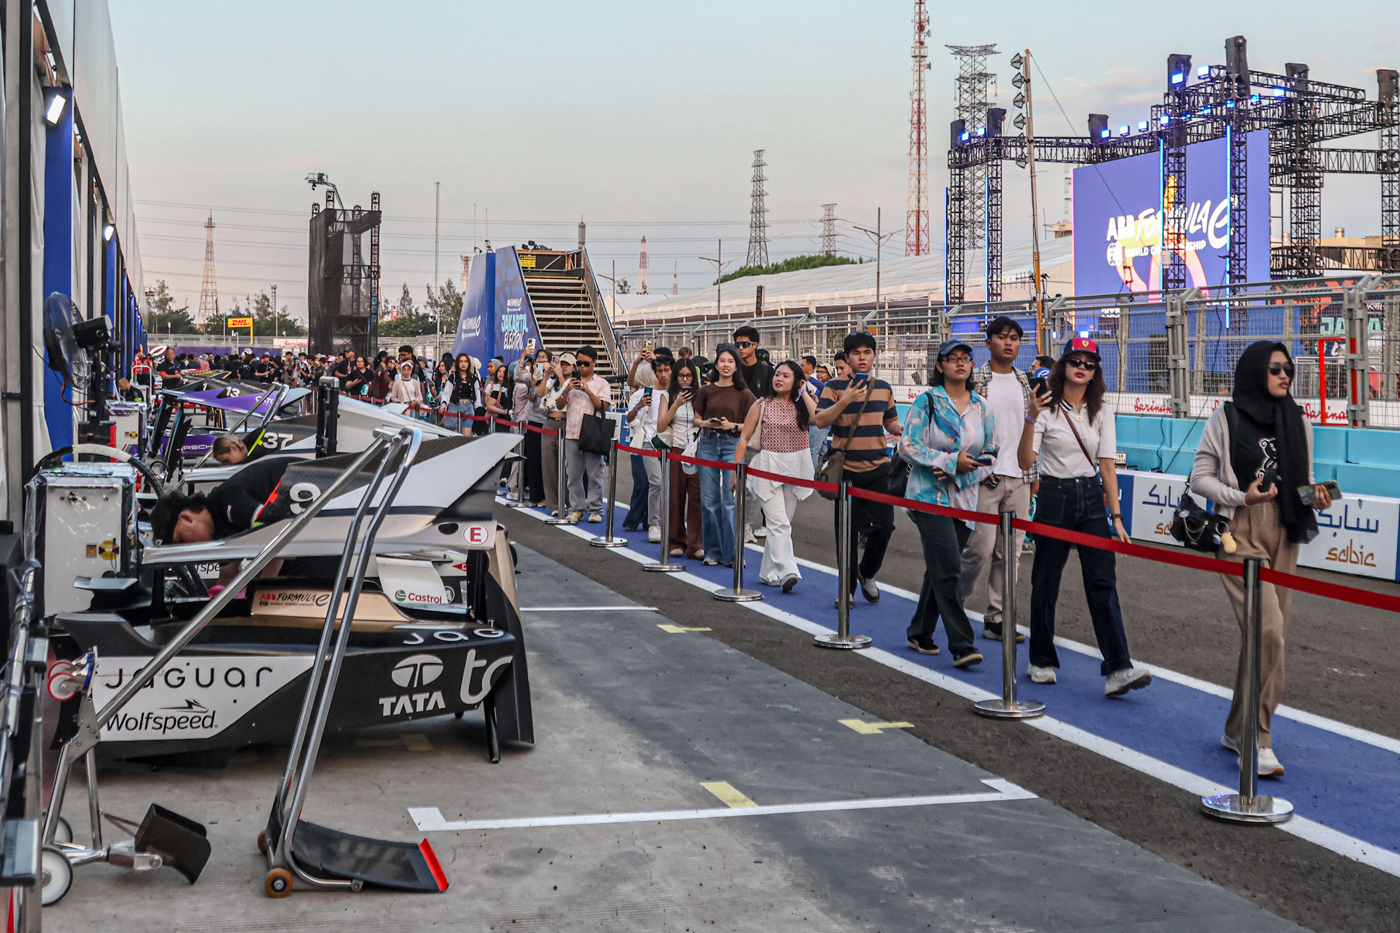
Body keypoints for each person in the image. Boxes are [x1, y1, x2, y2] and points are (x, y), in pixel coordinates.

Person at [1189, 341, 1330, 777]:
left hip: (1286, 532)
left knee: (1267, 637)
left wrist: (1318, 496)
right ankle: (1260, 736)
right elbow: (1200, 478)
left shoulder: (1298, 419)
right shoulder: (1226, 418)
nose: (1285, 375)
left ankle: (1236, 728)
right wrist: (1239, 496)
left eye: (1288, 368)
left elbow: (1300, 483)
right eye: (1275, 369)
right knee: (1268, 631)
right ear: (1255, 372)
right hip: (1240, 532)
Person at [1017, 337, 1151, 698]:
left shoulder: (1101, 409)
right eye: (1075, 360)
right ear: (1063, 366)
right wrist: (1030, 416)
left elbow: (1106, 463)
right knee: (1047, 580)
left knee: (1103, 580)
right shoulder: (1045, 405)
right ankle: (1040, 659)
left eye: (1089, 363)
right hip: (1056, 496)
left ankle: (1118, 667)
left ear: (1096, 372)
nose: (1082, 367)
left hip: (1091, 496)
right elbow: (1025, 461)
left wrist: (1117, 516)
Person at [900, 339, 991, 668]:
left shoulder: (981, 407)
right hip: (929, 496)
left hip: (965, 498)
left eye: (965, 358)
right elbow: (907, 445)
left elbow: (991, 452)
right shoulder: (927, 402)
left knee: (939, 569)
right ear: (940, 366)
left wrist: (969, 471)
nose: (960, 364)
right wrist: (951, 462)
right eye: (952, 359)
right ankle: (962, 644)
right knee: (951, 568)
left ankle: (920, 631)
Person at [961, 316, 1037, 644]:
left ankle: (997, 616)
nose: (1009, 343)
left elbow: (1036, 432)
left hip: (1019, 477)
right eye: (1003, 337)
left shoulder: (1028, 382)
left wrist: (1034, 476)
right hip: (984, 476)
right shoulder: (976, 379)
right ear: (988, 341)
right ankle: (953, 599)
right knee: (979, 548)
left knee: (1011, 554)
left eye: (1015, 338)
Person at [815, 332, 903, 603]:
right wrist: (846, 399)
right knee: (847, 532)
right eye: (856, 353)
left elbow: (891, 423)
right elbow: (820, 421)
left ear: (874, 355)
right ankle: (847, 591)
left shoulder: (884, 387)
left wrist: (908, 430)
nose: (862, 357)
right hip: (847, 471)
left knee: (885, 526)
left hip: (879, 467)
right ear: (847, 358)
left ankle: (867, 572)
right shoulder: (834, 386)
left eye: (867, 352)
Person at [149, 456, 295, 585]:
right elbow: (228, 577)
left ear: (186, 518)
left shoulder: (229, 500)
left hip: (307, 498)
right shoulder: (216, 529)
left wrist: (262, 590)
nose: (185, 549)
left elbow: (276, 535)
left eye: (180, 540)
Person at [735, 361, 816, 591]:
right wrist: (736, 469)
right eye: (777, 374)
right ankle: (788, 570)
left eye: (786, 376)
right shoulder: (761, 404)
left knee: (781, 523)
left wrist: (804, 392)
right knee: (779, 522)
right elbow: (744, 437)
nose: (779, 378)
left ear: (797, 381)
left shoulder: (803, 405)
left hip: (796, 465)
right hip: (767, 466)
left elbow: (818, 419)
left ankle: (768, 572)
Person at [692, 345, 754, 566]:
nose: (726, 365)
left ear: (736, 366)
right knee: (709, 501)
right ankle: (713, 552)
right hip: (707, 443)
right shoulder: (705, 390)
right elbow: (696, 419)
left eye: (731, 361)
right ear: (716, 364)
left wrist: (733, 426)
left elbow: (752, 424)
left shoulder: (745, 393)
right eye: (722, 361)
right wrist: (705, 423)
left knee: (730, 502)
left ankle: (733, 554)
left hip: (732, 445)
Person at [656, 359, 703, 559]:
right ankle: (675, 540)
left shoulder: (701, 395)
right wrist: (676, 404)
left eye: (689, 375)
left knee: (697, 498)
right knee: (675, 497)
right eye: (681, 375)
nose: (685, 379)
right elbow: (661, 425)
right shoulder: (667, 396)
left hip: (697, 451)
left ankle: (695, 543)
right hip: (676, 449)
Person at [560, 345, 612, 523]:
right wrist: (567, 390)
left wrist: (588, 391)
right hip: (572, 432)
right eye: (579, 363)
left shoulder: (602, 383)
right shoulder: (569, 383)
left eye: (585, 363)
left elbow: (604, 406)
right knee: (573, 473)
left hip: (592, 432)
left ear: (594, 363)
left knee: (594, 473)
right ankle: (576, 508)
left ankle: (596, 508)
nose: (581, 366)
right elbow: (559, 405)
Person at [638, 356, 675, 543]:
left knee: (670, 485)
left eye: (666, 370)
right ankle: (654, 523)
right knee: (657, 482)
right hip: (649, 441)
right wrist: (639, 405)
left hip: (672, 442)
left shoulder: (676, 393)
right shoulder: (647, 392)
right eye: (659, 371)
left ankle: (667, 522)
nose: (663, 374)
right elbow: (630, 418)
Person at [539, 353, 574, 517]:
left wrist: (560, 375)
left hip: (567, 423)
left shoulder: (572, 382)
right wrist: (546, 375)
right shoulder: (554, 382)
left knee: (568, 466)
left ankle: (569, 502)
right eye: (561, 363)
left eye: (567, 364)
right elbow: (540, 393)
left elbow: (565, 399)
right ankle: (553, 503)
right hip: (550, 422)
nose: (563, 366)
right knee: (549, 465)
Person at [518, 348, 551, 506]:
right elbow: (517, 376)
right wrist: (524, 356)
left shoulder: (553, 377)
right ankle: (535, 495)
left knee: (548, 461)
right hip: (533, 421)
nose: (541, 360)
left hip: (549, 422)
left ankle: (548, 493)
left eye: (544, 358)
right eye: (538, 357)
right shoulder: (532, 375)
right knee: (533, 459)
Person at [621, 382, 652, 533]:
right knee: (642, 483)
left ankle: (648, 519)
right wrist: (639, 406)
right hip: (639, 443)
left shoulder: (668, 394)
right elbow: (630, 420)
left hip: (659, 444)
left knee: (655, 485)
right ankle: (633, 518)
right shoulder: (637, 396)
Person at [800, 355, 829, 470]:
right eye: (818, 372)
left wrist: (809, 379)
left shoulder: (826, 385)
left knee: (813, 450)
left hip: (818, 422)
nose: (819, 374)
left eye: (822, 372)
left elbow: (823, 388)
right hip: (822, 423)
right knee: (822, 451)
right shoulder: (821, 386)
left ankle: (813, 477)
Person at [441, 353, 482, 434]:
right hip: (455, 406)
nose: (463, 364)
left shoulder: (474, 379)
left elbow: (477, 395)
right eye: (461, 361)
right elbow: (447, 393)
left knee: (466, 436)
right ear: (457, 363)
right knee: (454, 437)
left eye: (466, 361)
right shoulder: (453, 377)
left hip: (469, 407)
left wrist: (478, 407)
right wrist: (444, 403)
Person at [733, 326, 774, 399]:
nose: (741, 348)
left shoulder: (767, 371)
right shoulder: (733, 369)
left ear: (755, 345)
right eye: (737, 345)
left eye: (745, 344)